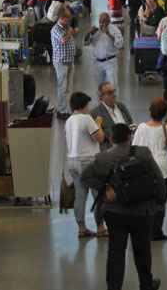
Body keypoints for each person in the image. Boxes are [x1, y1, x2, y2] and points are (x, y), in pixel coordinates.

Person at [81, 123, 164, 290]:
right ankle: (146, 284)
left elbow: (85, 177)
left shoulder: (102, 158)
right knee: (142, 250)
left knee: (116, 251)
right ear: (129, 136)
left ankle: (114, 287)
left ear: (111, 139)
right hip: (142, 211)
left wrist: (105, 189)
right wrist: (159, 203)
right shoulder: (143, 153)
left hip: (114, 212)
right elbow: (159, 178)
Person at [132, 97, 167, 241]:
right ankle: (156, 232)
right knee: (160, 202)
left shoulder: (141, 127)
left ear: (150, 111)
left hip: (144, 169)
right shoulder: (166, 129)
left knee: (145, 201)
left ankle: (143, 230)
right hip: (163, 170)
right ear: (164, 113)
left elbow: (134, 146)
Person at [64, 91, 107, 238]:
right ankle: (100, 227)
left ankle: (81, 228)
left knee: (80, 196)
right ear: (83, 105)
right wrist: (99, 124)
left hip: (72, 161)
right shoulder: (87, 119)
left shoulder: (69, 120)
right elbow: (99, 138)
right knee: (98, 195)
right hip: (88, 161)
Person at [86, 13, 124, 90]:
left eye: (104, 21)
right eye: (100, 21)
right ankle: (100, 101)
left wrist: (108, 34)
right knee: (99, 87)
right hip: (97, 63)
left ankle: (113, 101)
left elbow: (120, 45)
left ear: (109, 21)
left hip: (110, 62)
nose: (102, 24)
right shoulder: (96, 30)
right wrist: (89, 33)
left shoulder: (114, 30)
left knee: (112, 86)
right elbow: (86, 43)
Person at [51, 6, 78, 119]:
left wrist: (71, 31)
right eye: (66, 19)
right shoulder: (56, 29)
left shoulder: (67, 27)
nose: (68, 21)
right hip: (61, 62)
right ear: (60, 18)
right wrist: (71, 31)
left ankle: (67, 108)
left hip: (70, 61)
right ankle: (61, 110)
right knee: (62, 87)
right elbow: (63, 40)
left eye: (69, 19)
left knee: (68, 87)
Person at [91, 82, 134, 151]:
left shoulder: (121, 106)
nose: (114, 95)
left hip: (129, 146)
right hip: (111, 150)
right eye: (109, 93)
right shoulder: (96, 113)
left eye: (114, 91)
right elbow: (100, 138)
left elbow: (131, 123)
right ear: (101, 96)